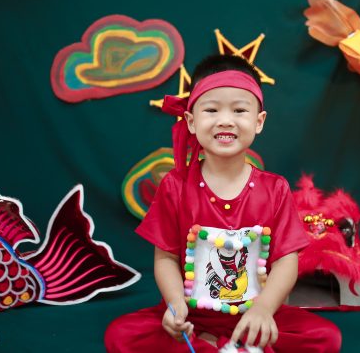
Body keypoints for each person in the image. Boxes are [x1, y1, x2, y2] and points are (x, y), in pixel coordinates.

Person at [105, 55, 342, 352]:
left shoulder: (275, 189)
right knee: (121, 335)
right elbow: (165, 258)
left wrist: (265, 308)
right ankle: (216, 343)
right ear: (191, 122)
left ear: (259, 121)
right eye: (212, 110)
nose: (226, 120)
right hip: (193, 317)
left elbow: (286, 260)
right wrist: (176, 305)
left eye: (239, 110)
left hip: (255, 315)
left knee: (325, 337)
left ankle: (227, 342)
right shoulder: (176, 186)